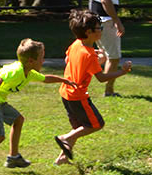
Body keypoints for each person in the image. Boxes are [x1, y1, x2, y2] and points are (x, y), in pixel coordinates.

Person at [0, 38, 76, 175]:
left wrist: (63, 80)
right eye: (41, 58)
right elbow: (0, 77)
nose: (43, 61)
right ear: (30, 61)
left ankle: (13, 157)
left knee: (18, 120)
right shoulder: (16, 70)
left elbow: (45, 78)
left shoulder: (28, 72)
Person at [54, 9, 132, 165]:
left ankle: (62, 158)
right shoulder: (89, 54)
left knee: (78, 127)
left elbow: (68, 59)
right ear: (89, 32)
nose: (101, 31)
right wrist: (122, 72)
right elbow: (101, 78)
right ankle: (65, 138)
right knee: (96, 124)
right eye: (99, 28)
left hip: (65, 92)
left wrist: (94, 58)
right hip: (78, 96)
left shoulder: (76, 44)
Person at [88, 0, 127, 97]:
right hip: (105, 20)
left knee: (102, 56)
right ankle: (109, 91)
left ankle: (79, 76)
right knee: (114, 57)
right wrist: (117, 21)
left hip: (97, 19)